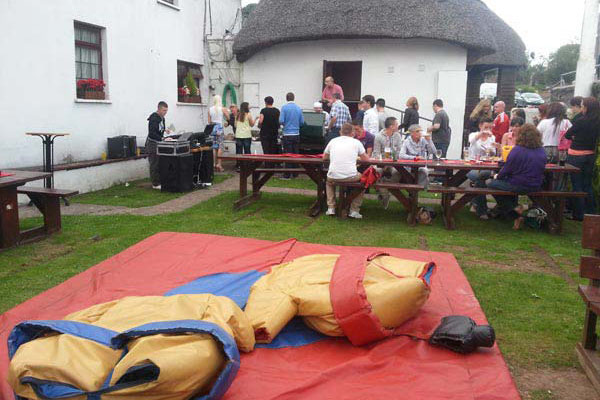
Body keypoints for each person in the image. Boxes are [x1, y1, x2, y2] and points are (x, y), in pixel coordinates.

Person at [487, 123, 548, 229]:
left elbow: (506, 170)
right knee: (506, 185)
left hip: (518, 184)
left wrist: (497, 176)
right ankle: (515, 212)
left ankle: (515, 212)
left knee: (490, 184)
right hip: (535, 185)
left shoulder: (517, 150)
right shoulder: (542, 151)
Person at [323, 123, 370, 219]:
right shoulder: (356, 142)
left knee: (329, 182)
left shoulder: (333, 141)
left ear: (340, 132)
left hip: (333, 175)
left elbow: (324, 157)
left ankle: (331, 207)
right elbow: (366, 159)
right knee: (364, 181)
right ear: (353, 133)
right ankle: (354, 210)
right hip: (350, 176)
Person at [564, 96, 600, 221]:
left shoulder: (581, 120)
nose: (582, 108)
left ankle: (578, 214)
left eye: (583, 106)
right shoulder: (597, 121)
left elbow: (567, 135)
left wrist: (575, 137)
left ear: (587, 108)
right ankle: (591, 213)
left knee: (577, 185)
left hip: (576, 155)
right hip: (590, 155)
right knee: (587, 184)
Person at [466, 118, 498, 219]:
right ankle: (480, 208)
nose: (488, 130)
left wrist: (493, 150)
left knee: (482, 178)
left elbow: (493, 153)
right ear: (480, 126)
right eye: (485, 127)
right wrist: (481, 133)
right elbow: (471, 140)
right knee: (480, 179)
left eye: (490, 127)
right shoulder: (473, 135)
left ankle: (478, 207)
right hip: (472, 165)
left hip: (486, 166)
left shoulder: (492, 137)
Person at [373, 117, 404, 209]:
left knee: (397, 172)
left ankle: (385, 189)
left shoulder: (397, 136)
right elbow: (376, 153)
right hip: (381, 162)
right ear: (391, 126)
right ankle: (384, 194)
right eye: (396, 124)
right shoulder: (379, 136)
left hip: (394, 162)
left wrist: (391, 162)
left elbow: (400, 151)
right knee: (375, 171)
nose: (398, 126)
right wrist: (382, 163)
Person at [279, 92, 305, 179]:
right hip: (296, 134)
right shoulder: (298, 108)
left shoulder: (284, 108)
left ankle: (287, 174)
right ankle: (295, 173)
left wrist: (286, 124)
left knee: (288, 154)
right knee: (295, 153)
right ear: (294, 98)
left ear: (286, 98)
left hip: (287, 133)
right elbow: (302, 122)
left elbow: (281, 120)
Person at [146, 101, 169, 190]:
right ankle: (155, 184)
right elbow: (152, 133)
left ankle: (160, 180)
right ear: (159, 109)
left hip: (159, 143)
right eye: (164, 110)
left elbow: (160, 131)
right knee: (154, 163)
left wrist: (165, 133)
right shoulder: (153, 118)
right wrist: (162, 139)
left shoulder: (162, 118)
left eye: (166, 111)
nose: (165, 113)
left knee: (160, 163)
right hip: (152, 143)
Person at [208, 95, 230, 172]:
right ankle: (219, 164)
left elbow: (209, 121)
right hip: (219, 127)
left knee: (214, 147)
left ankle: (214, 163)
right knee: (220, 146)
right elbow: (228, 117)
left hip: (212, 127)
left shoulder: (210, 109)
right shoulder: (222, 109)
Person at [235, 102, 255, 166]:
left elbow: (235, 125)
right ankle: (247, 165)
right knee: (247, 151)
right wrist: (256, 119)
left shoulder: (237, 115)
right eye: (248, 106)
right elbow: (252, 125)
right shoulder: (248, 115)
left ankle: (239, 165)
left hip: (238, 135)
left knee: (239, 151)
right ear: (246, 107)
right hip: (246, 135)